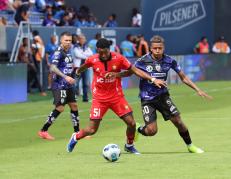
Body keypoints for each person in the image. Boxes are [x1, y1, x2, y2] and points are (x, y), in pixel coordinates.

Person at [66, 38, 166, 153]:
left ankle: (129, 145)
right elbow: (82, 68)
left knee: (131, 123)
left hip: (116, 97)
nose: (103, 55)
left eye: (105, 52)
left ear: (109, 49)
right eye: (100, 52)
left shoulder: (119, 58)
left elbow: (134, 70)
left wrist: (153, 79)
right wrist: (77, 74)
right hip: (99, 98)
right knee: (92, 129)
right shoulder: (92, 60)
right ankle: (75, 137)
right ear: (97, 50)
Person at [116, 35, 213, 153]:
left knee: (178, 121)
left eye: (160, 48)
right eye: (155, 48)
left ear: (163, 48)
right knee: (152, 131)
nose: (157, 50)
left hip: (163, 97)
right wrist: (116, 75)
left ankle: (190, 146)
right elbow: (129, 73)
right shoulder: (142, 61)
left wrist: (197, 89)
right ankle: (138, 129)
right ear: (150, 48)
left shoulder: (169, 60)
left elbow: (183, 77)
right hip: (147, 99)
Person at [38, 32, 80, 140]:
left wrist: (74, 74)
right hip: (59, 85)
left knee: (74, 106)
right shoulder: (58, 52)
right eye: (66, 40)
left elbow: (67, 68)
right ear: (61, 41)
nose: (68, 42)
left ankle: (77, 133)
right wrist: (65, 77)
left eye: (70, 40)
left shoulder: (68, 52)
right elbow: (52, 68)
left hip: (68, 85)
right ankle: (43, 131)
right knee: (60, 108)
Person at [72, 34, 93, 101]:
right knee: (75, 83)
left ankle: (85, 98)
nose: (82, 40)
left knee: (86, 83)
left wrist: (83, 54)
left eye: (83, 39)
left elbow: (91, 54)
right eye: (81, 39)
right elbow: (77, 55)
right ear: (78, 40)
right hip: (78, 67)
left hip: (86, 67)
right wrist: (86, 55)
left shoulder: (86, 46)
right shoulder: (75, 47)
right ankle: (73, 97)